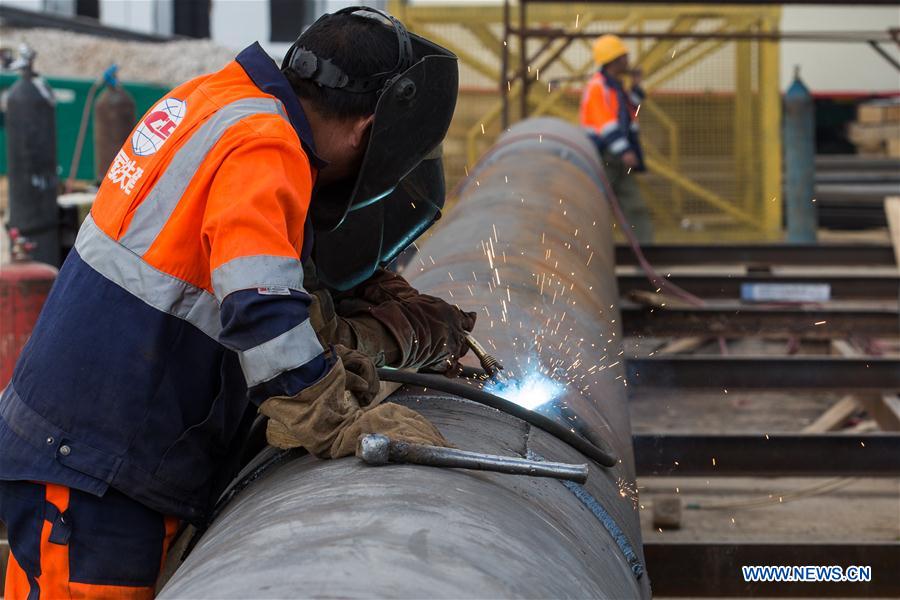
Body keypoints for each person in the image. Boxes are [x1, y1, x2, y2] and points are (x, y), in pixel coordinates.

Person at [0, 7, 474, 598]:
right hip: (97, 470)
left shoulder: (216, 96)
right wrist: (331, 417)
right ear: (366, 130)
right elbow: (261, 307)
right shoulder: (266, 144)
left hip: (79, 449)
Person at [579, 34, 654, 243]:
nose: (628, 60)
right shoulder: (598, 87)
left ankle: (647, 256)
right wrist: (625, 151)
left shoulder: (614, 86)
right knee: (595, 207)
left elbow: (630, 109)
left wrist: (637, 86)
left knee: (635, 206)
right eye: (624, 56)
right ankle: (585, 251)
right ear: (614, 60)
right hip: (603, 157)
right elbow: (606, 124)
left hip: (616, 157)